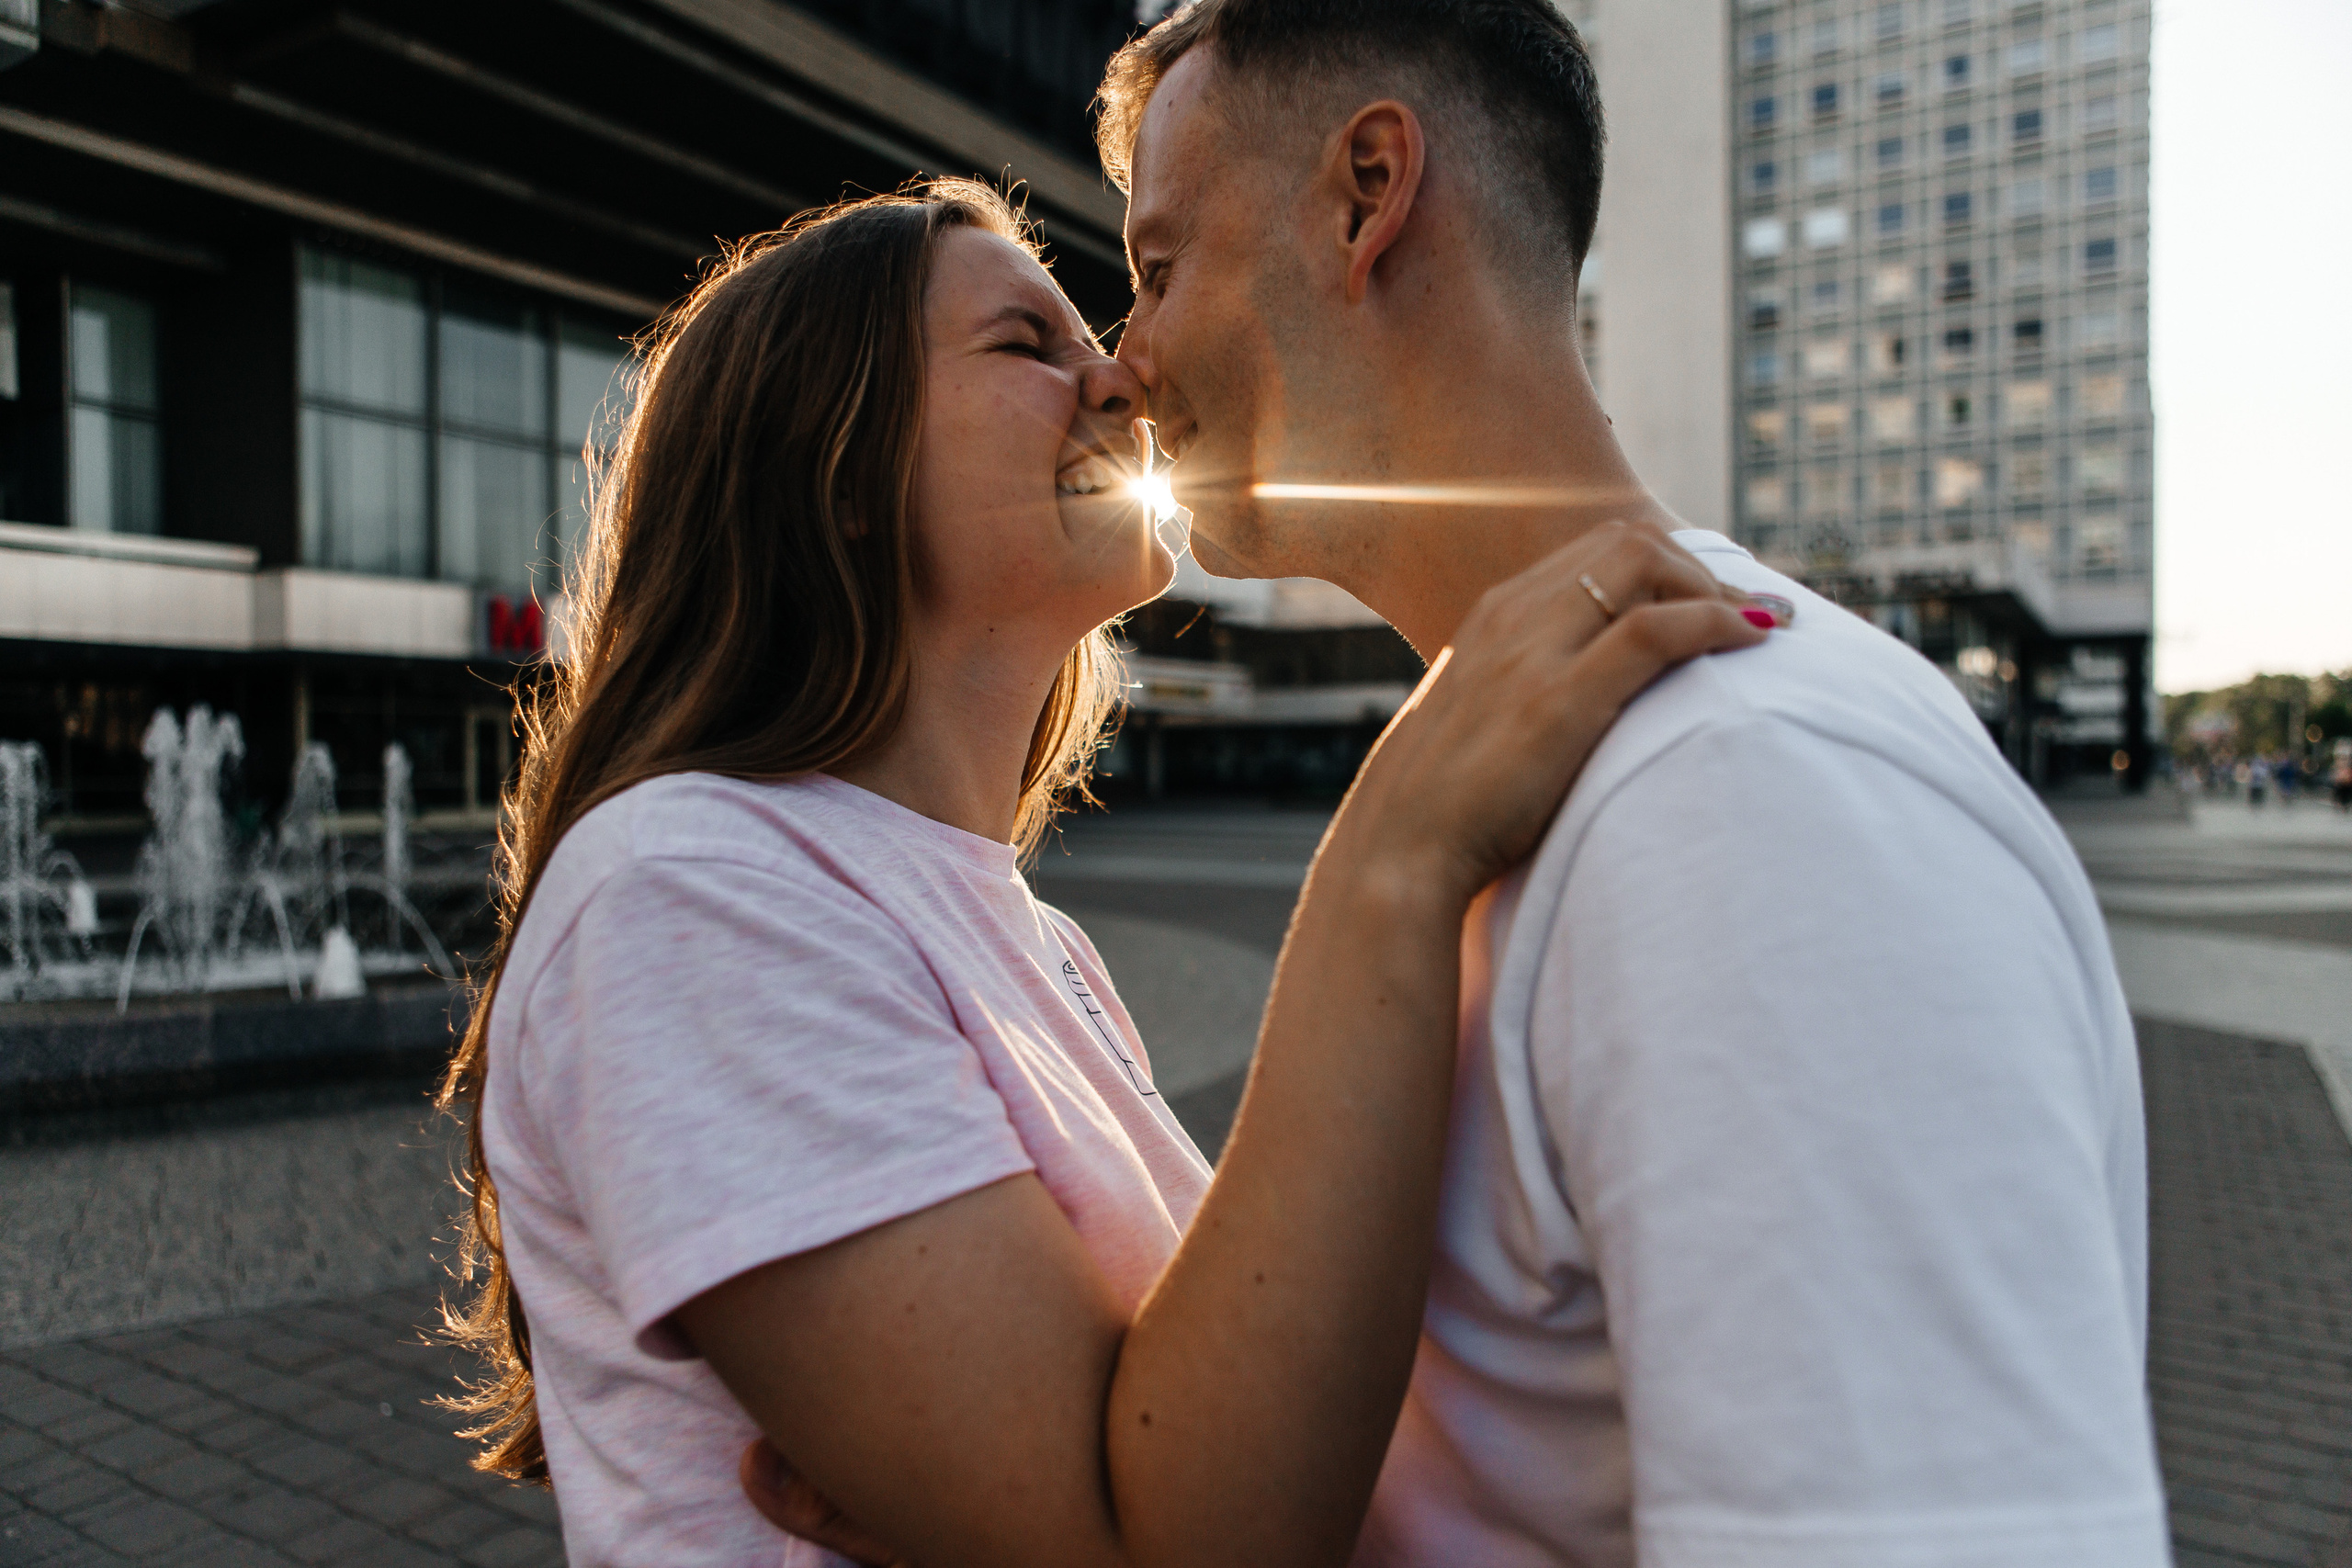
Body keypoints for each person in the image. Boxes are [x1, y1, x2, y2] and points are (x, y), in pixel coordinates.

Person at [748, 0, 2174, 1562]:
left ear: (1368, 193)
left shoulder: (1750, 795)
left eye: (1157, 269)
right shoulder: (1529, 772)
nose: (1128, 362)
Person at [434, 179, 1770, 1566]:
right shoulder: (687, 892)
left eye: (1098, 336)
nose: (1124, 380)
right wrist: (1396, 851)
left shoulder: (1035, 942)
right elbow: (1159, 1534)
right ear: (831, 472)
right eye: (1029, 346)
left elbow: (1230, 1412)